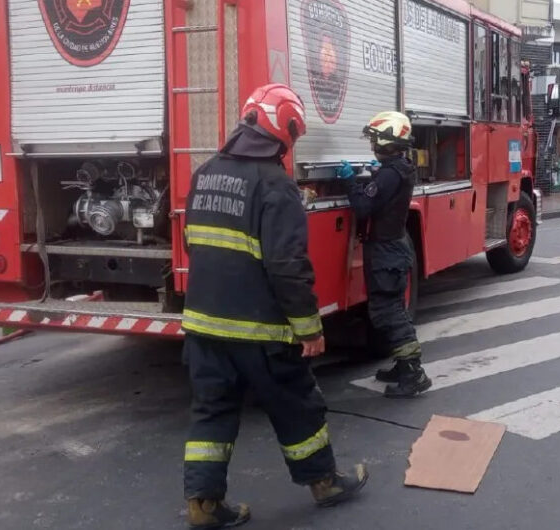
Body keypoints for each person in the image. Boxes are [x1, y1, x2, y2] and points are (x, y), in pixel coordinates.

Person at [181, 84, 368, 529]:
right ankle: (324, 482)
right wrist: (309, 329)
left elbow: (193, 243)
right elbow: (288, 268)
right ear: (284, 130)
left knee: (212, 410)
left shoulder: (204, 172)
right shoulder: (276, 186)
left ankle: (202, 506)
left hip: (203, 325)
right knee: (297, 405)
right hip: (260, 332)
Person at [336, 111, 432, 398]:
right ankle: (403, 366)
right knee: (390, 309)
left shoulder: (391, 174)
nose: (372, 145)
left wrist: (350, 182)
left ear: (388, 142)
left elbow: (365, 207)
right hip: (391, 248)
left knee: (388, 312)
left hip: (387, 251)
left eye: (375, 140)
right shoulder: (399, 168)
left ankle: (413, 372)